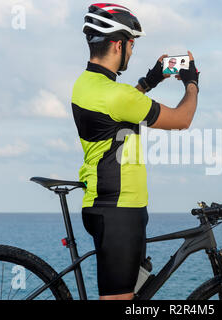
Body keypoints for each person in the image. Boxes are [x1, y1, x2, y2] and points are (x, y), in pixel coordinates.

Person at [71, 3, 200, 300]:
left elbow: (118, 110)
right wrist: (191, 82)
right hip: (120, 210)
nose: (132, 50)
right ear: (118, 44)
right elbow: (182, 120)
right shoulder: (119, 96)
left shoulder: (86, 85)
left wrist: (149, 81)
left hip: (104, 205)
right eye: (132, 44)